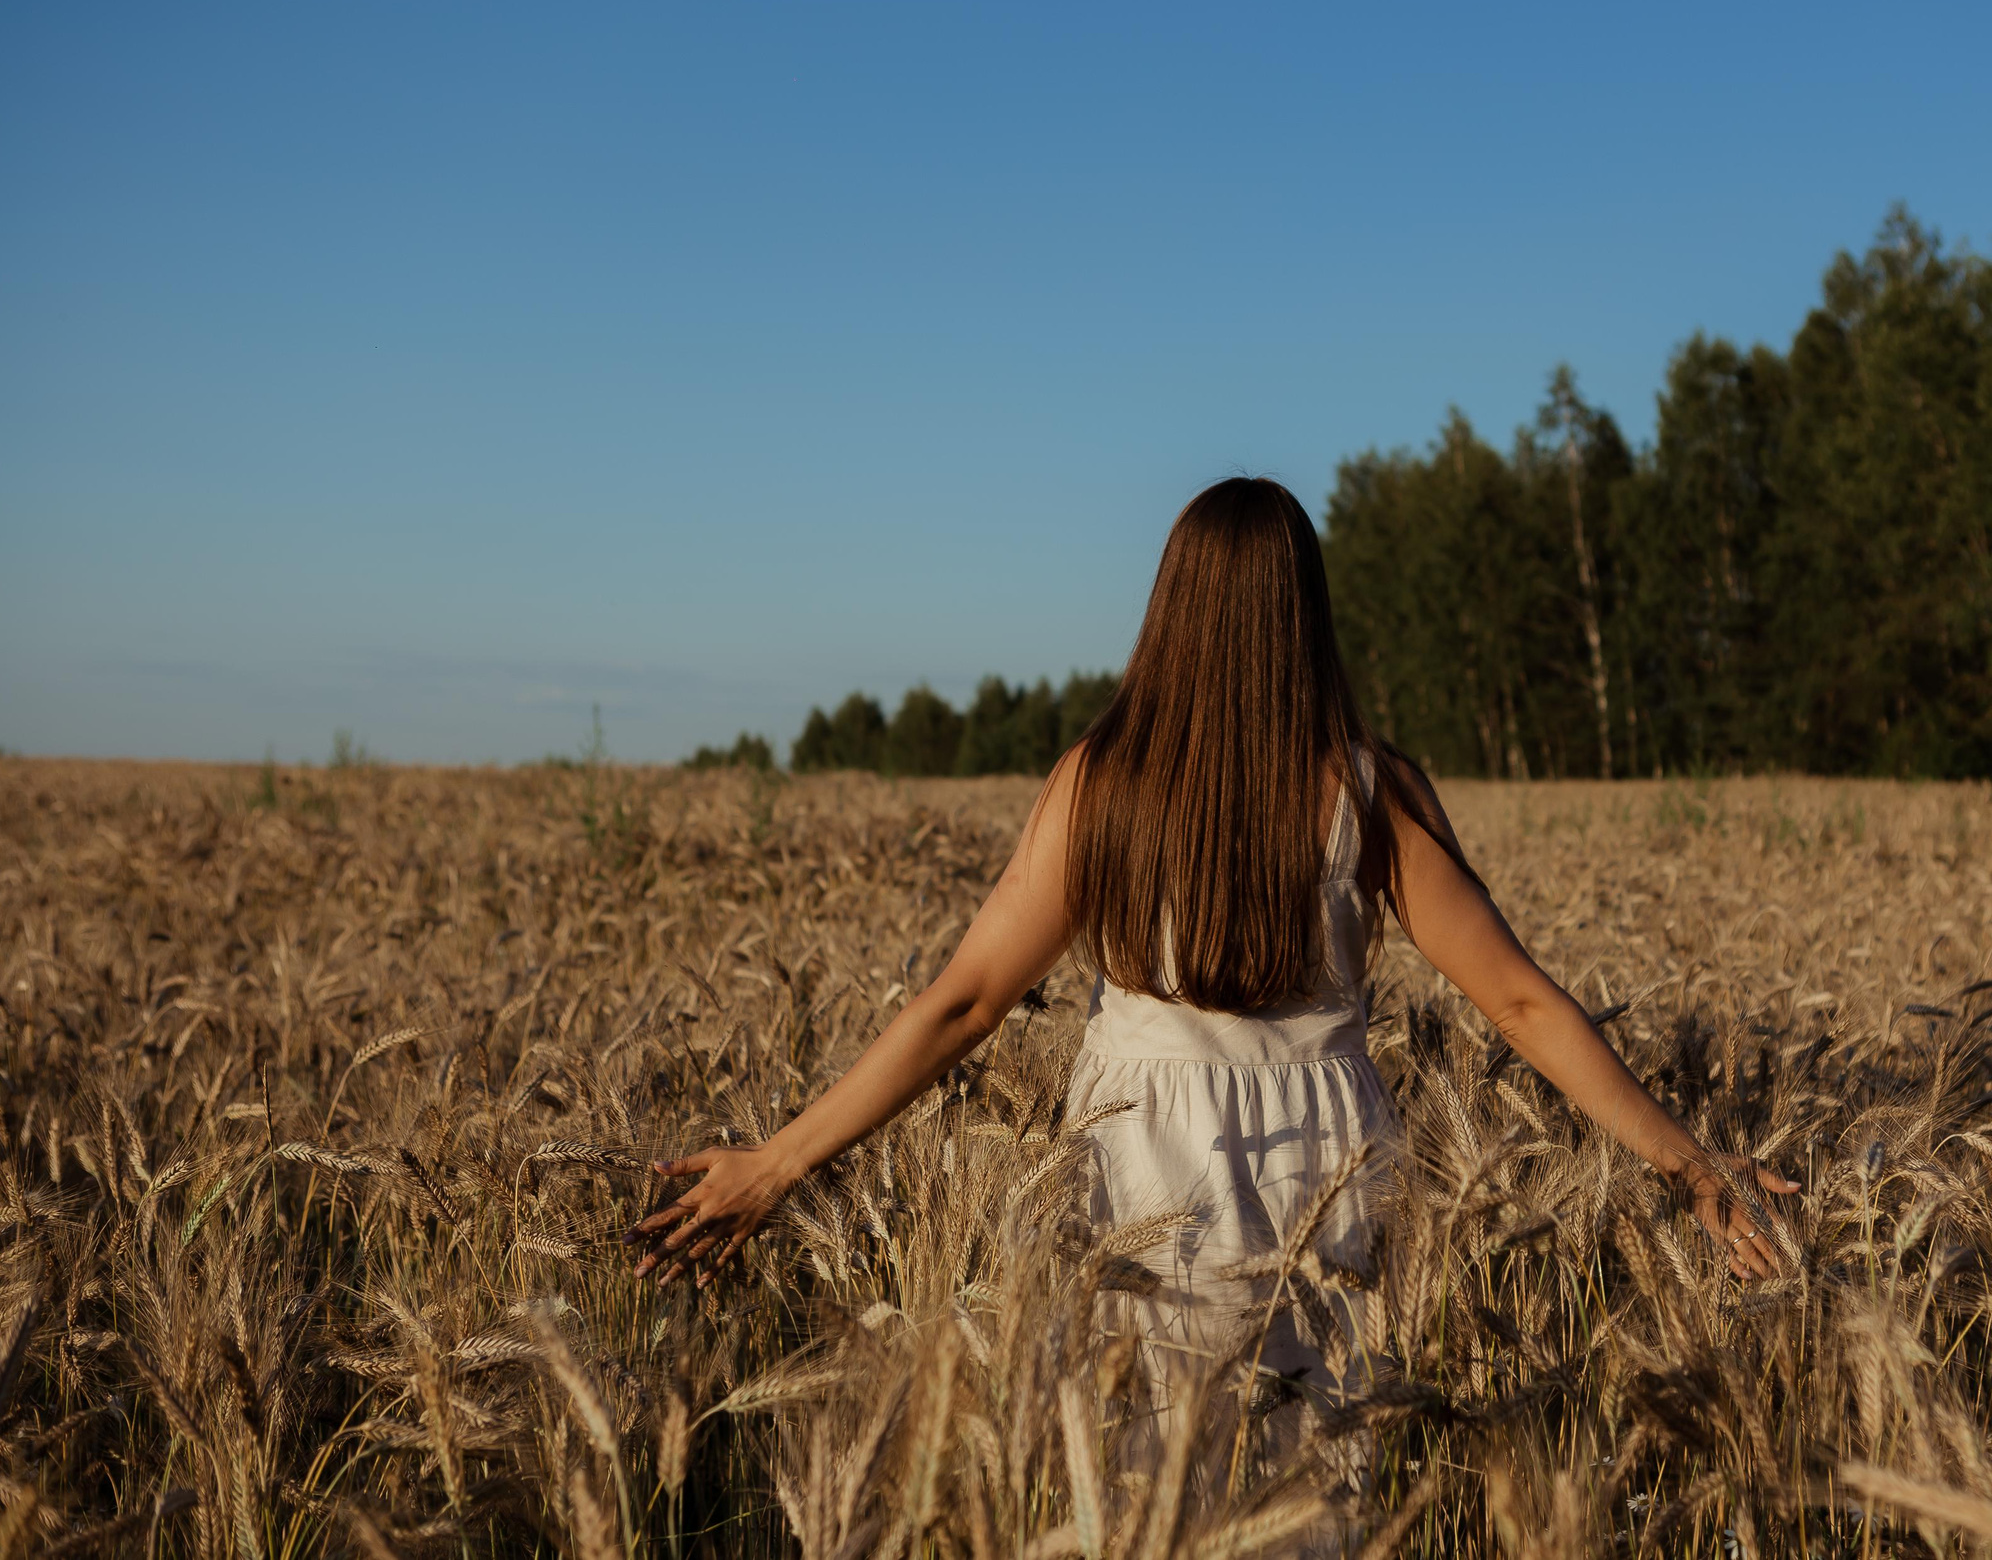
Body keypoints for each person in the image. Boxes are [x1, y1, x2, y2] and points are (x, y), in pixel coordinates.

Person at [629, 479, 1797, 1370]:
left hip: (1138, 1151)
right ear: (1306, 614)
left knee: (1144, 1481)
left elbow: (964, 1001)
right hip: (1324, 1160)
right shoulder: (1367, 790)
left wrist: (780, 1161)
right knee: (1310, 1468)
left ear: (1171, 609)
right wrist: (1692, 1167)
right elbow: (1521, 1000)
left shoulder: (1099, 784)